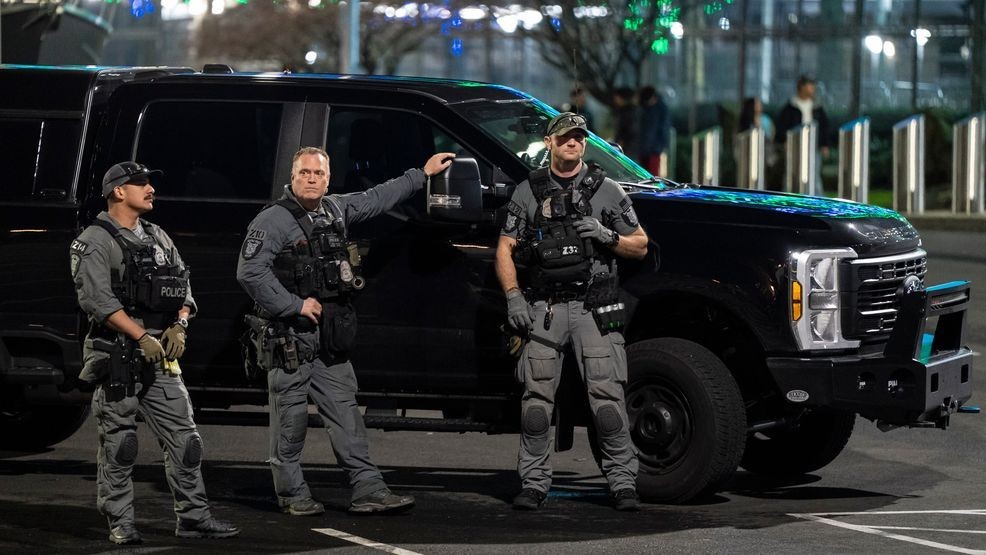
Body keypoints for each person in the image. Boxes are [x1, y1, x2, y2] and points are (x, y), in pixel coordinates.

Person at [236, 146, 454, 516]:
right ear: (292, 177)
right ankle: (292, 494)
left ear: (327, 177)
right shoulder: (272, 220)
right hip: (289, 336)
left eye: (318, 173)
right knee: (290, 421)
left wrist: (422, 174)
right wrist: (294, 305)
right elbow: (249, 272)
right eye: (304, 172)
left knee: (347, 415)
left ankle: (368, 488)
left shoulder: (335, 208)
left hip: (329, 337)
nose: (311, 179)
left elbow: (378, 197)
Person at [71, 162, 239, 545]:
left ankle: (194, 517)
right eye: (140, 183)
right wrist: (139, 335)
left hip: (160, 353)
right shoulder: (95, 240)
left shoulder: (157, 235)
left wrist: (180, 322)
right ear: (117, 191)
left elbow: (182, 285)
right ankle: (120, 522)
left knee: (186, 440)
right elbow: (97, 301)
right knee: (120, 444)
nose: (150, 189)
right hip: (118, 354)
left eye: (150, 183)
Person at [495, 113, 649, 512]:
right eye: (566, 137)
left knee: (608, 402)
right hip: (544, 308)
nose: (573, 143)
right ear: (550, 142)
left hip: (593, 307)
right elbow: (505, 249)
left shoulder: (606, 189)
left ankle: (622, 483)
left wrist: (607, 235)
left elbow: (641, 244)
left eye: (579, 137)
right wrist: (513, 297)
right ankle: (533, 483)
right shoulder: (528, 191)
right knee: (535, 405)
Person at [775, 76, 830, 190]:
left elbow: (824, 127)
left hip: (813, 146)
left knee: (814, 174)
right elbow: (782, 126)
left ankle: (815, 199)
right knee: (792, 173)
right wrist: (785, 140)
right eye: (810, 85)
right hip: (795, 147)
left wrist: (824, 145)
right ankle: (789, 196)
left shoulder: (817, 107)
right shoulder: (790, 107)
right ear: (802, 87)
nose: (813, 88)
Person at [637, 85, 672, 176]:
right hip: (643, 148)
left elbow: (663, 129)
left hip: (654, 149)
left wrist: (660, 146)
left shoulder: (661, 109)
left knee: (652, 175)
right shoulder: (643, 108)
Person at [611, 87, 639, 161]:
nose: (615, 100)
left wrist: (622, 141)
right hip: (630, 146)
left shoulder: (627, 111)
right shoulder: (628, 110)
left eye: (616, 97)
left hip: (627, 148)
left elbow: (628, 129)